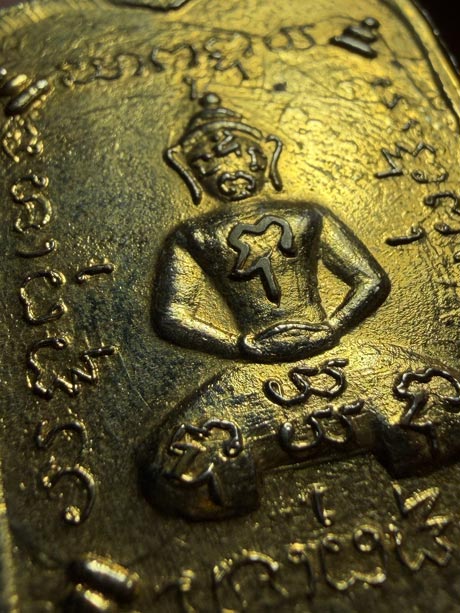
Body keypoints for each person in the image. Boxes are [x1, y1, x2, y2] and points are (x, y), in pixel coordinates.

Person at [142, 94, 460, 520]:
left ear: (265, 160)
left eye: (242, 154)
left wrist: (335, 326)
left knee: (435, 408)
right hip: (256, 370)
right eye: (211, 161)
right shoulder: (193, 236)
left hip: (342, 356)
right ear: (194, 173)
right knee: (185, 469)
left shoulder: (308, 216)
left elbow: (370, 280)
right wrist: (239, 344)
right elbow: (172, 315)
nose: (230, 167)